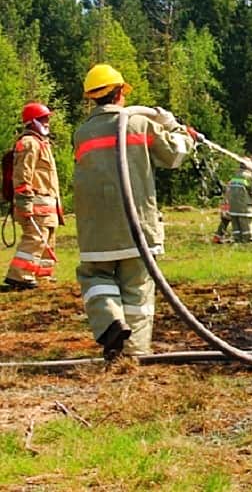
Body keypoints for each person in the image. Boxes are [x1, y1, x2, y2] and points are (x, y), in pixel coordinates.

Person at [73, 63, 198, 359]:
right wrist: (176, 127)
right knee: (137, 289)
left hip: (96, 231)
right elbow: (174, 155)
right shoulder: (139, 125)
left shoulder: (81, 133)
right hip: (137, 225)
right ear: (119, 93)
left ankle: (110, 322)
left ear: (92, 97)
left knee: (95, 277)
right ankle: (133, 354)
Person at [3, 102, 63, 290]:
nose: (47, 123)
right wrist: (24, 204)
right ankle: (19, 275)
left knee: (47, 240)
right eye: (44, 119)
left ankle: (42, 276)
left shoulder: (42, 143)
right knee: (35, 239)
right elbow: (22, 175)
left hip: (47, 204)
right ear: (33, 122)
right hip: (35, 203)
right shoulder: (29, 143)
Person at [227, 162, 252, 242]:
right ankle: (248, 240)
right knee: (246, 225)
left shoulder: (234, 175)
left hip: (233, 206)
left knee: (236, 225)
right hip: (244, 206)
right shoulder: (247, 176)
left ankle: (237, 239)